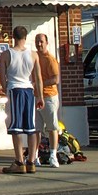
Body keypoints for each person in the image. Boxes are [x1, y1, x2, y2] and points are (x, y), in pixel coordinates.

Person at [0, 26, 44, 174]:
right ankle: (31, 161)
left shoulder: (6, 54)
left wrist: (6, 90)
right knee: (31, 128)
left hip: (14, 89)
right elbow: (38, 77)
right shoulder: (33, 55)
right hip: (29, 91)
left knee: (16, 127)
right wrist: (41, 96)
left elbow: (2, 77)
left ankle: (19, 161)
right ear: (26, 37)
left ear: (13, 36)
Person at [35, 33, 62, 168]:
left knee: (52, 127)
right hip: (35, 97)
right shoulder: (33, 56)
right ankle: (34, 156)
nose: (39, 44)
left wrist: (40, 84)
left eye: (41, 42)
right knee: (36, 129)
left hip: (49, 97)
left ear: (46, 43)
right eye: (37, 42)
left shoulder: (50, 59)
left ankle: (53, 155)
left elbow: (55, 79)